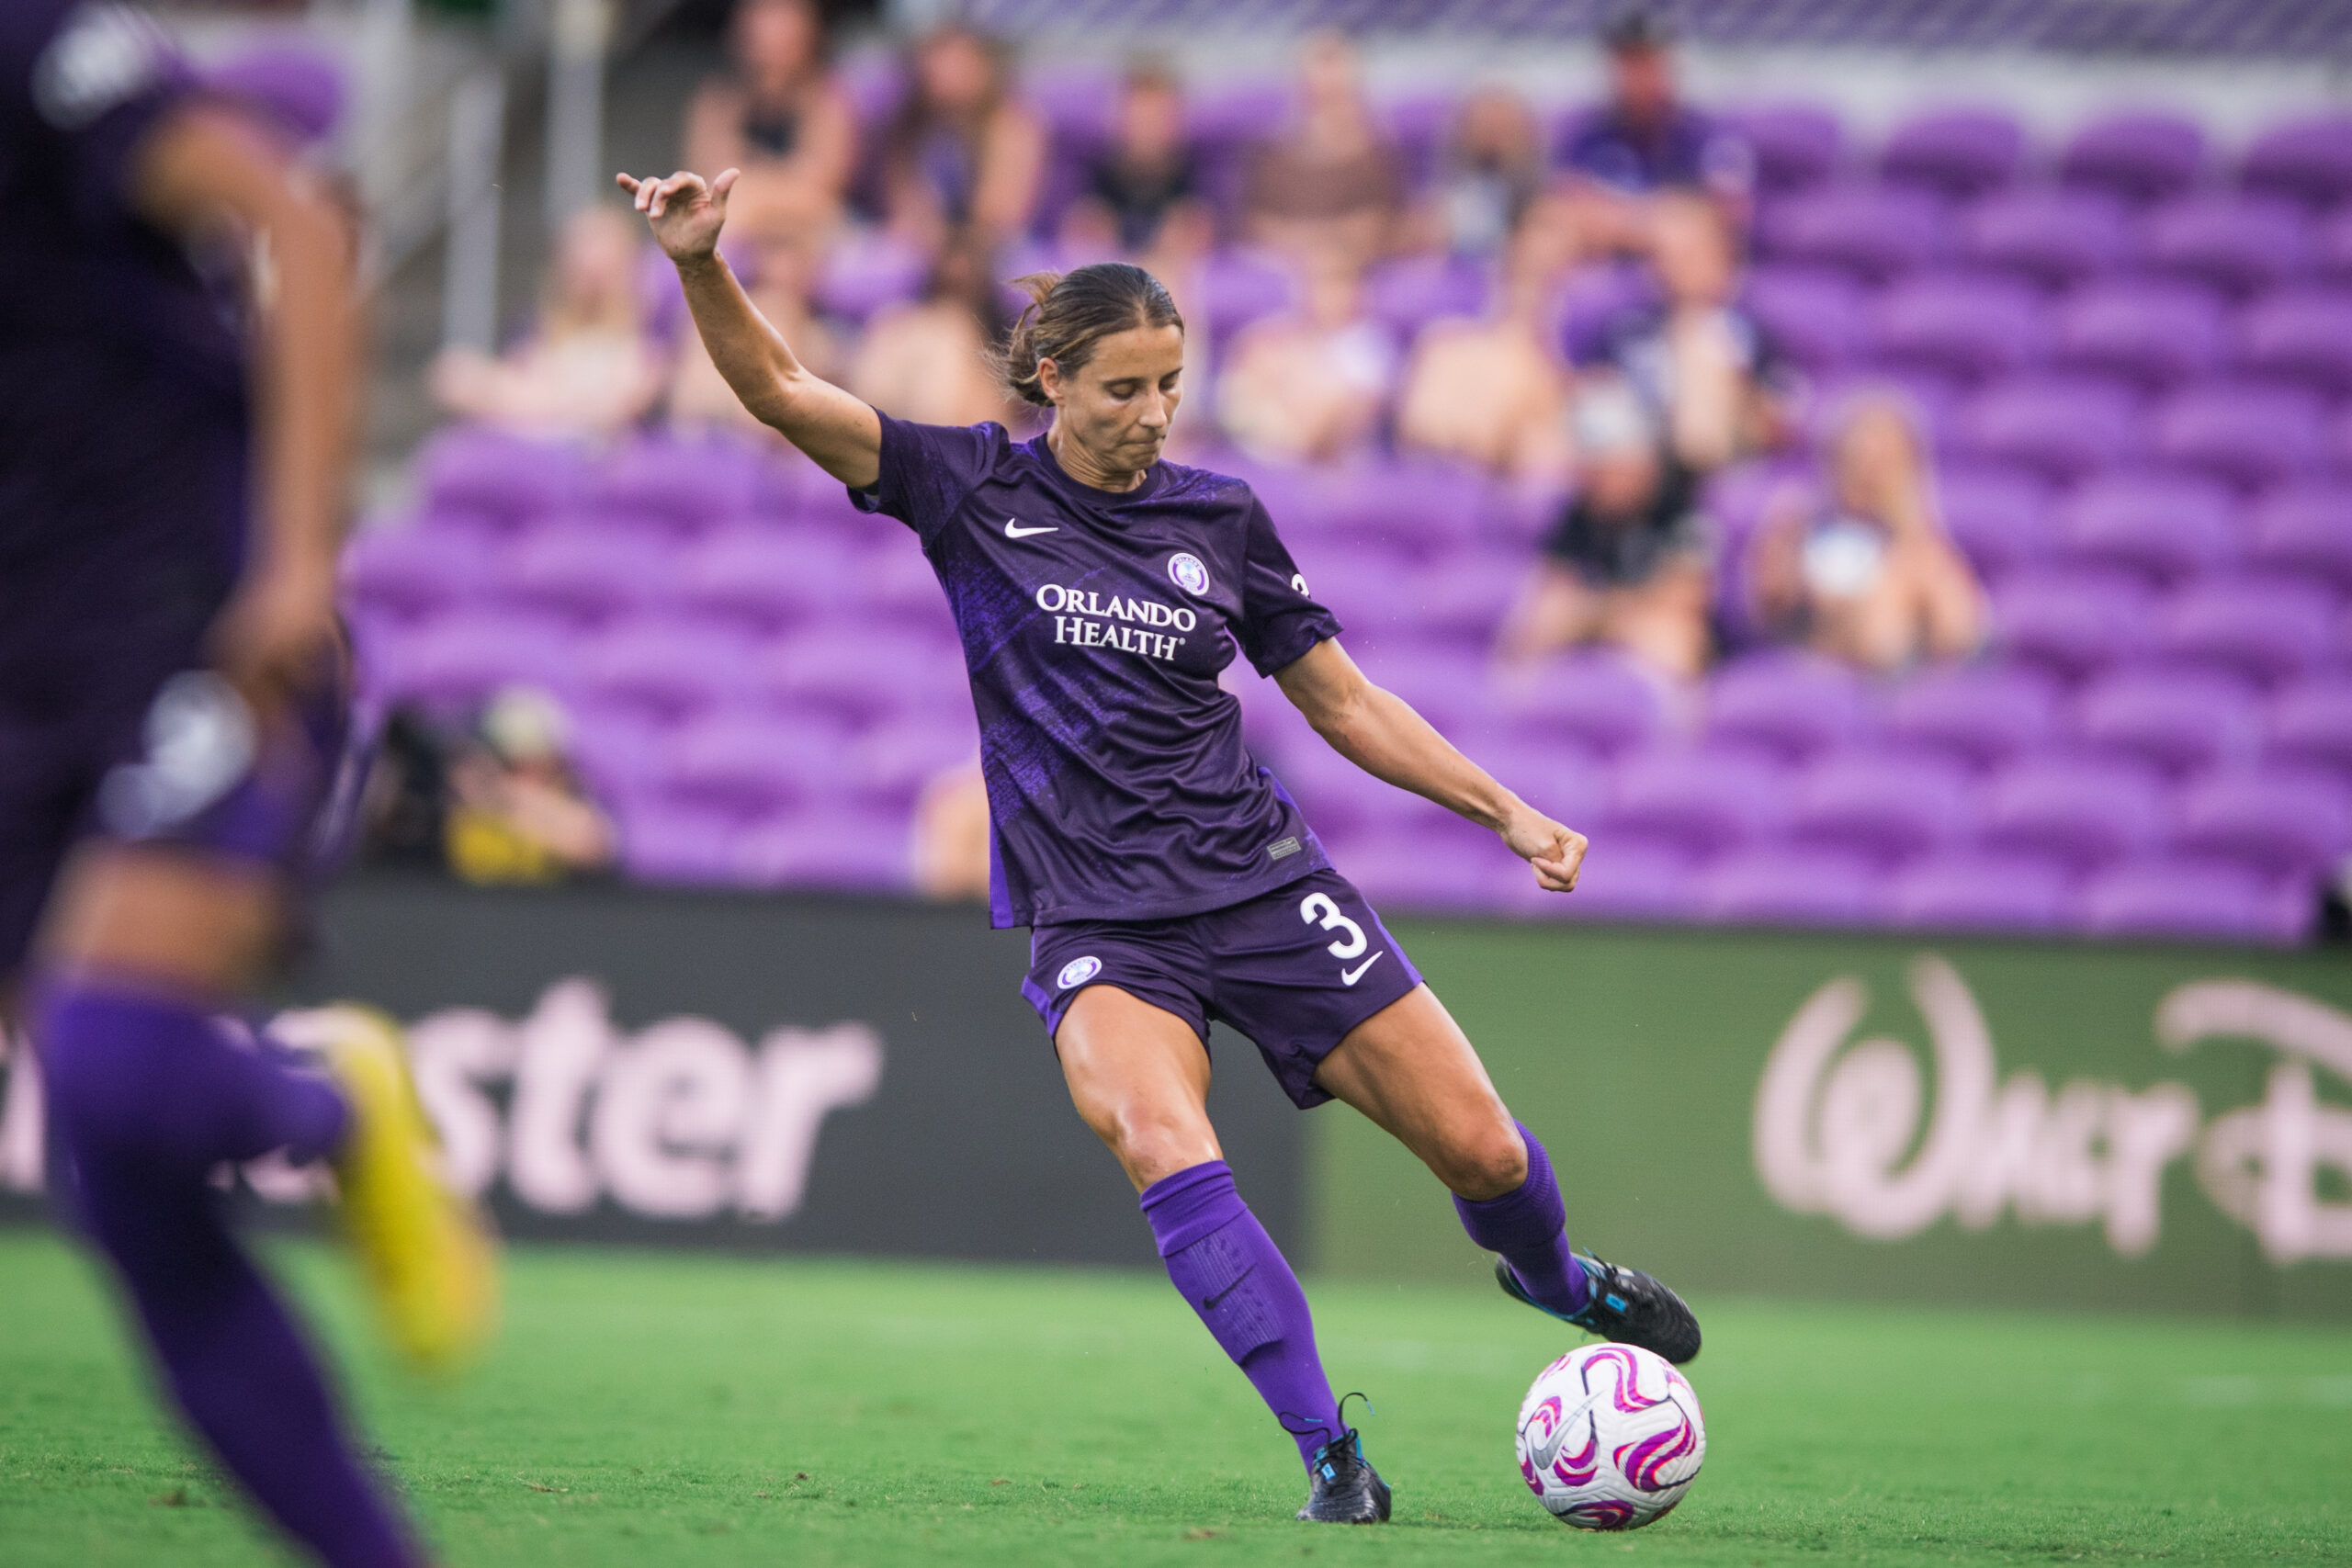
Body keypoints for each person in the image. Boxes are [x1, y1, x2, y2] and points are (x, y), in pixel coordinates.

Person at [619, 158, 1702, 1524]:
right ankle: (1331, 1453)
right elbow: (781, 392)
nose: (1152, 412)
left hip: (1262, 884)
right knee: (1159, 1134)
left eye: (1170, 384)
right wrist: (701, 262)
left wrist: (1508, 810)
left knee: (1484, 1154)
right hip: (1102, 922)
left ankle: (1556, 1279)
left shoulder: (1220, 519)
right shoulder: (968, 489)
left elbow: (1346, 701)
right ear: (1053, 380)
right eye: (1124, 387)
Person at [1, 6, 495, 1567]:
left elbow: (296, 213)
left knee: (116, 1073)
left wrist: (298, 557)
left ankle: (325, 1095)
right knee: (123, 1180)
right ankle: (323, 1099)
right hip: (19, 678)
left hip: (184, 609)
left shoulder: (34, 47)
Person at [1749, 395, 1987, 671]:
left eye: (1882, 462)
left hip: (1897, 678)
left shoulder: (1925, 553)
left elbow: (1961, 634)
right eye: (1857, 458)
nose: (1868, 474)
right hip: (1812, 665)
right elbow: (1767, 607)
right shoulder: (1796, 531)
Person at [1499, 378, 1714, 681]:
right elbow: (1548, 596)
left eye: (1607, 467)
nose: (1595, 480)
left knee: (1672, 639)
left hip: (1643, 631)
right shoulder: (1580, 511)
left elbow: (1686, 598)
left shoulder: (1679, 501)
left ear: (1641, 460)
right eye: (1591, 467)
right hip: (1609, 625)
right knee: (1543, 624)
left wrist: (1594, 613)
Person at [1581, 189, 1792, 475]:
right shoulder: (1628, 329)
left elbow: (1778, 417)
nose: (1670, 267)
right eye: (1658, 255)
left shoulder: (1747, 329)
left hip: (1712, 464)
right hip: (1631, 458)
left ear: (1721, 252)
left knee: (1703, 339)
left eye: (1686, 254)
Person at [430, 203, 664, 440]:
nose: (584, 264)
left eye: (597, 251)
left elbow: (617, 407)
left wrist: (520, 399)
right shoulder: (538, 328)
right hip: (532, 434)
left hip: (586, 451)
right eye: (577, 251)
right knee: (454, 372)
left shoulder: (646, 338)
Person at [1395, 198, 1579, 483]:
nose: (1547, 245)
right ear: (1515, 239)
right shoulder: (1469, 302)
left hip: (1540, 423)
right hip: (1461, 425)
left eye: (1562, 233)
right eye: (1541, 229)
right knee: (1444, 349)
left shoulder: (1583, 312)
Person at [1555, 7, 1752, 250]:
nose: (1639, 78)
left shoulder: (1705, 135)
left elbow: (1729, 215)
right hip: (1602, 259)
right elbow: (1568, 204)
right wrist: (1656, 219)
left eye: (1648, 61)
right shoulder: (1585, 135)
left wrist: (1628, 217)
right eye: (1629, 63)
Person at [1215, 244, 1396, 466]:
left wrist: (1287, 377)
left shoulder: (1370, 346)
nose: (1333, 296)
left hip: (1335, 470)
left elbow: (1333, 428)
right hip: (1256, 461)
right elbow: (1233, 404)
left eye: (1343, 284)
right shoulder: (1275, 333)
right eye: (1322, 284)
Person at [878, 22, 1045, 254]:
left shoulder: (1013, 125)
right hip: (928, 245)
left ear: (983, 69)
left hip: (1007, 250)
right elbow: (904, 207)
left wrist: (947, 238)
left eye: (956, 67)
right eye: (935, 68)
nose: (942, 77)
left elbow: (999, 218)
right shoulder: (910, 124)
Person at [1242, 30, 1404, 265]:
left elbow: (1380, 228)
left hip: (1360, 273)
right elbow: (1259, 228)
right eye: (1321, 97)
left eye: (1337, 94)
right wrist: (1317, 242)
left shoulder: (1378, 157)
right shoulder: (1273, 156)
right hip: (1285, 272)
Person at [847, 227, 1030, 431]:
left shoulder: (1000, 349)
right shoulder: (898, 324)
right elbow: (870, 398)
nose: (958, 273)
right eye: (950, 281)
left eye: (965, 280)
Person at [681, 0, 855, 210]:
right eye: (756, 9)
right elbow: (708, 186)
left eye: (780, 11)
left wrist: (753, 188)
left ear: (812, 29)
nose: (764, 28)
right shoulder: (716, 102)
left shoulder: (831, 102)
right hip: (734, 230)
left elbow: (817, 196)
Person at [443, 687, 618, 885]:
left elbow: (593, 846)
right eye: (516, 765)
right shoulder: (466, 803)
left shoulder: (568, 796)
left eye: (539, 763)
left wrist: (504, 797)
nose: (531, 774)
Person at [1060, 61, 1210, 261]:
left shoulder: (1202, 184)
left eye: (1156, 118)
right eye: (1137, 118)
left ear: (1177, 122)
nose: (1145, 131)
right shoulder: (1085, 181)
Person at [1424, 85, 1545, 261]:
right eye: (1486, 124)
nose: (1492, 133)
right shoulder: (1452, 181)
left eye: (1501, 126)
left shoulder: (1533, 189)